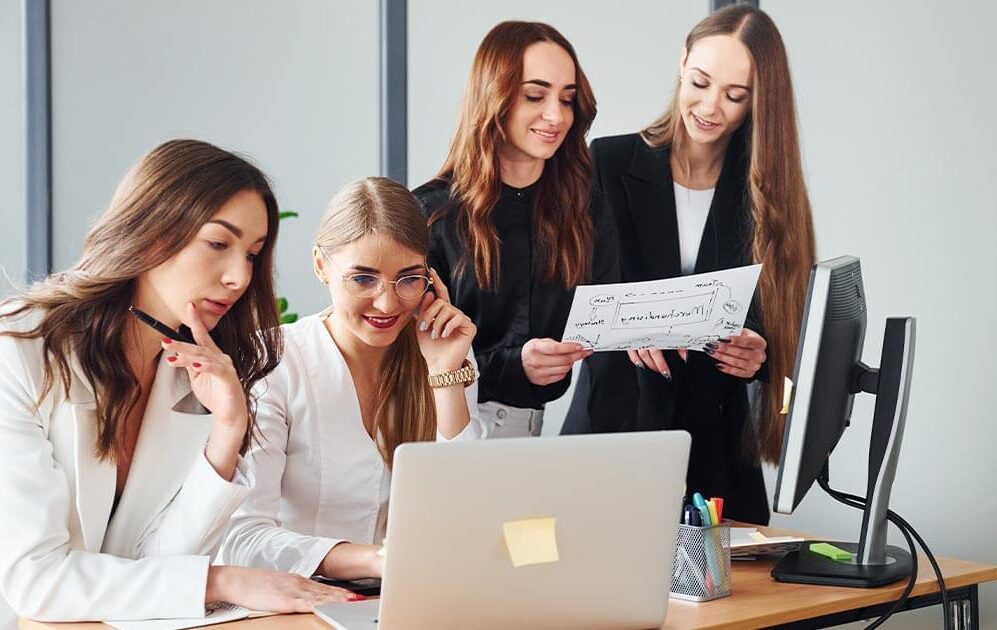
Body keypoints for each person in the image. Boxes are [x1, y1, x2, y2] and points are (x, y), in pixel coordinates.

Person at [0, 139, 355, 623]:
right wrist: (223, 580)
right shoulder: (20, 348)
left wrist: (229, 428)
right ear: (151, 229)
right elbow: (34, 579)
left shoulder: (192, 374)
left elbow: (157, 564)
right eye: (217, 244)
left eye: (252, 255)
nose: (239, 277)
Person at [563, 5, 817, 525]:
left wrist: (761, 358)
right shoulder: (607, 163)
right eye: (700, 82)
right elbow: (569, 294)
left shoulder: (767, 194)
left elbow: (786, 340)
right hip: (612, 433)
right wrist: (629, 326)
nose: (709, 106)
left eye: (734, 96)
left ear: (758, 104)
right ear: (682, 63)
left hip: (717, 453)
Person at [220, 177, 488, 579]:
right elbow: (242, 538)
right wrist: (374, 560)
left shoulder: (446, 352)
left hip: (409, 599)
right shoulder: (274, 361)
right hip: (295, 603)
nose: (387, 302)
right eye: (363, 278)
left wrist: (445, 374)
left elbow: (468, 513)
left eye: (409, 279)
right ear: (321, 265)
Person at [414, 20, 618, 438]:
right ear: (495, 96)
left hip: (533, 435)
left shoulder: (587, 209)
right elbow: (407, 361)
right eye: (535, 95)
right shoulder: (429, 214)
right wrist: (512, 365)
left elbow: (610, 322)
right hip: (436, 433)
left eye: (567, 99)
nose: (556, 115)